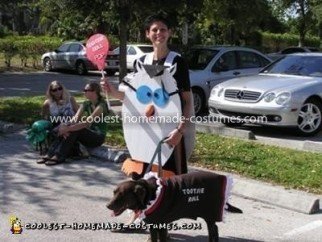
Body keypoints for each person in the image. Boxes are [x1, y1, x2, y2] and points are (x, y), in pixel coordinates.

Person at [101, 14, 192, 176]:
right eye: (154, 30)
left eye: (163, 29)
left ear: (170, 32)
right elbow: (133, 98)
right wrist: (112, 90)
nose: (159, 33)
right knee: (143, 182)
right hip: (145, 134)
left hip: (169, 133)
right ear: (147, 34)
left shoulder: (178, 62)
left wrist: (179, 131)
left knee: (169, 184)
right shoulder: (141, 62)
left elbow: (187, 102)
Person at [37, 82, 109, 165]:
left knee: (75, 130)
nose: (84, 92)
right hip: (87, 134)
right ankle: (50, 154)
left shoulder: (101, 106)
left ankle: (60, 156)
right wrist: (64, 126)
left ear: (94, 91)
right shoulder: (86, 104)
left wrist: (69, 128)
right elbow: (75, 118)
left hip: (97, 137)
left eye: (86, 90)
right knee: (65, 128)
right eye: (84, 90)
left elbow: (86, 123)